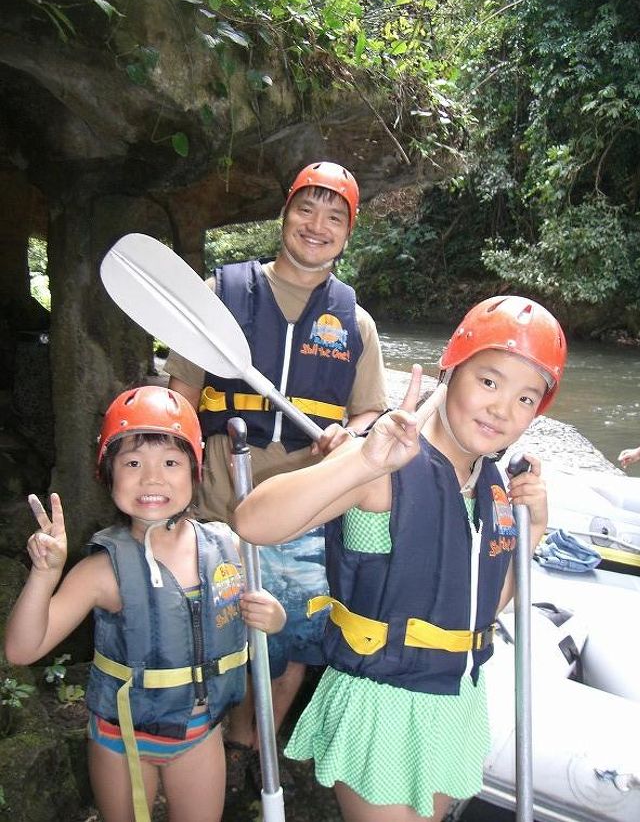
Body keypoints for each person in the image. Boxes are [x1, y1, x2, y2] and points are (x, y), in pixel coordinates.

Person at [234, 295, 568, 822]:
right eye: (489, 381)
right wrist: (360, 462)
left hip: (454, 700)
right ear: (450, 370)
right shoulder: (385, 458)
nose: (504, 408)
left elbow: (482, 611)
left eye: (527, 399)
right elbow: (253, 522)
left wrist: (536, 530)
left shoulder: (494, 487)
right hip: (382, 701)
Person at [166, 160, 388, 790]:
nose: (316, 226)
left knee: (289, 636)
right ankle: (194, 749)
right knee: (210, 631)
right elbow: (181, 397)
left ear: (347, 233)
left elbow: (369, 415)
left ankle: (249, 744)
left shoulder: (356, 324)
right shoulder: (221, 295)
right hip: (215, 505)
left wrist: (357, 435)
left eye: (334, 217)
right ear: (284, 214)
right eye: (305, 209)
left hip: (305, 513)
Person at [4, 386, 286, 822]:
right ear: (109, 475)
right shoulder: (102, 572)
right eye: (133, 463)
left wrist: (274, 615)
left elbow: (264, 611)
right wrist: (44, 574)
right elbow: (22, 649)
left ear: (195, 473)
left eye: (171, 463)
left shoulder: (228, 544)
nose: (152, 478)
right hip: (123, 739)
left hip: (200, 733)